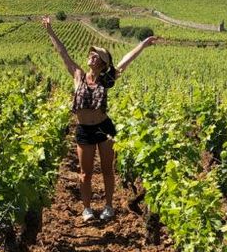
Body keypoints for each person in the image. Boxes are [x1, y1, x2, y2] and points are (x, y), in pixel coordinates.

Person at [42, 17, 157, 222]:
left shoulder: (106, 79)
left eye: (97, 56)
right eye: (91, 55)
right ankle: (87, 209)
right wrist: (50, 31)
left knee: (107, 170)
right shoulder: (78, 75)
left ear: (103, 64)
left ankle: (109, 206)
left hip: (104, 128)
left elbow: (125, 62)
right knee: (85, 174)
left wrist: (143, 45)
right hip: (84, 130)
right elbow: (63, 53)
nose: (92, 57)